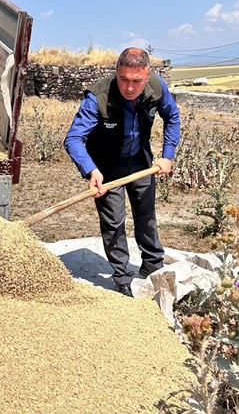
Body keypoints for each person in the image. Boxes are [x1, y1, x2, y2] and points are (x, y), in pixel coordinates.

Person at [64, 47, 180, 296]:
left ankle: (152, 267)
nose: (129, 87)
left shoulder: (157, 87)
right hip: (106, 167)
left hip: (141, 161)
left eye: (136, 81)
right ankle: (122, 279)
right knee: (114, 222)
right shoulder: (99, 96)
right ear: (116, 73)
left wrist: (167, 155)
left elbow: (172, 117)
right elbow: (73, 139)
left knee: (146, 216)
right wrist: (90, 170)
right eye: (123, 79)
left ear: (147, 76)